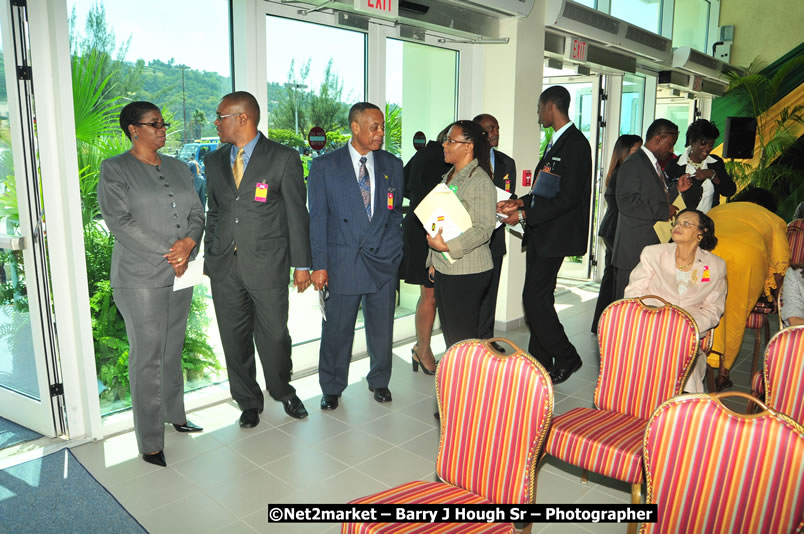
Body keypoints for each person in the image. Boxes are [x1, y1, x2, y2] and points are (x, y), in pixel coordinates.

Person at [97, 101, 204, 467]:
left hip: (181, 274)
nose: (163, 128)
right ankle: (150, 441)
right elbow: (120, 221)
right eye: (154, 123)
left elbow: (196, 212)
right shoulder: (115, 169)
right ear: (133, 129)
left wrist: (188, 243)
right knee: (147, 358)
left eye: (163, 122)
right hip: (140, 278)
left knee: (172, 348)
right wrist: (169, 251)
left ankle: (176, 415)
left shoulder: (179, 167)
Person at [204, 91, 312, 428]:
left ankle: (282, 390)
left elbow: (297, 214)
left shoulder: (283, 158)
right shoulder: (214, 160)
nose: (216, 122)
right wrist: (211, 254)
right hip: (225, 266)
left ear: (242, 118)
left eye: (220, 116)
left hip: (268, 264)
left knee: (274, 336)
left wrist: (302, 264)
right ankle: (248, 400)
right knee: (233, 338)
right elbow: (215, 211)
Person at [308, 102, 404, 410]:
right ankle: (332, 386)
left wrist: (394, 252)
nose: (380, 133)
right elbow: (318, 220)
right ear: (355, 127)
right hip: (341, 263)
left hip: (382, 262)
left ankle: (379, 380)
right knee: (337, 330)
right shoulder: (325, 166)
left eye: (382, 127)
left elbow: (394, 216)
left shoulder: (393, 164)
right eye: (374, 127)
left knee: (381, 326)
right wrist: (319, 266)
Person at [497, 86, 591, 384]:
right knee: (538, 298)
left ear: (551, 106)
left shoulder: (576, 145)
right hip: (542, 232)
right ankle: (540, 362)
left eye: (540, 107)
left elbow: (569, 198)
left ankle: (566, 356)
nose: (538, 114)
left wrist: (524, 215)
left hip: (556, 235)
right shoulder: (557, 142)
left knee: (534, 299)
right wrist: (521, 201)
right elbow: (546, 189)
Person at [624, 209, 727, 393]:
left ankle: (679, 415)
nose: (678, 226)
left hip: (686, 337)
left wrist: (684, 325)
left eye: (686, 223)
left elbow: (713, 309)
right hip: (649, 331)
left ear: (700, 233)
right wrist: (655, 319)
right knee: (642, 362)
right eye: (677, 222)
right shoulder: (653, 254)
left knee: (687, 368)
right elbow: (633, 292)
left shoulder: (715, 266)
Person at [706, 194, 790, 390]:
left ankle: (703, 359)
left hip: (710, 251)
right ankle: (723, 373)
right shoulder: (773, 218)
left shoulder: (720, 209)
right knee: (735, 309)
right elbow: (780, 263)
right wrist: (779, 297)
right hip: (746, 256)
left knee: (705, 302)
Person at [425, 120, 496, 348]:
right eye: (446, 140)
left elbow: (483, 228)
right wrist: (434, 259)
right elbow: (440, 220)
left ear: (468, 146)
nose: (444, 145)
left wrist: (447, 247)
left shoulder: (480, 181)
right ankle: (458, 379)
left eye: (450, 140)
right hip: (447, 267)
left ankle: (470, 381)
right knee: (451, 335)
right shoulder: (448, 177)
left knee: (463, 338)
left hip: (468, 270)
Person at [612, 119, 692, 300]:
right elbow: (626, 202)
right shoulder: (634, 163)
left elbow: (653, 196)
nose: (671, 150)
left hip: (648, 247)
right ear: (658, 138)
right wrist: (664, 210)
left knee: (643, 306)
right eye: (669, 144)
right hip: (633, 249)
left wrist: (676, 190)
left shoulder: (651, 163)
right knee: (626, 308)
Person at [398, 125, 451, 375]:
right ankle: (423, 350)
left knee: (430, 294)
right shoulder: (437, 159)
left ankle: (422, 348)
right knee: (430, 294)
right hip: (427, 230)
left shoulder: (423, 154)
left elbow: (405, 186)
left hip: (421, 225)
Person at [591, 134, 642, 333]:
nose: (640, 156)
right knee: (616, 279)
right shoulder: (624, 173)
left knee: (610, 277)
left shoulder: (619, 171)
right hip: (616, 230)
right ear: (625, 152)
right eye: (636, 151)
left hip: (612, 228)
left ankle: (601, 324)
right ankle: (610, 325)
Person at [473, 113, 516, 348]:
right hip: (471, 241)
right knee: (472, 294)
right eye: (490, 129)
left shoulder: (507, 163)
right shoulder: (467, 163)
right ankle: (469, 342)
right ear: (478, 133)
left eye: (497, 128)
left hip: (496, 239)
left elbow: (511, 196)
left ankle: (487, 340)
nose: (495, 132)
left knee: (490, 293)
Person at [666, 119, 736, 213]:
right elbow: (664, 196)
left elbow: (729, 190)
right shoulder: (675, 165)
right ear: (692, 141)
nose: (707, 149)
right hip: (681, 223)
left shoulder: (715, 163)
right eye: (703, 144)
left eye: (711, 145)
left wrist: (712, 175)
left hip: (707, 222)